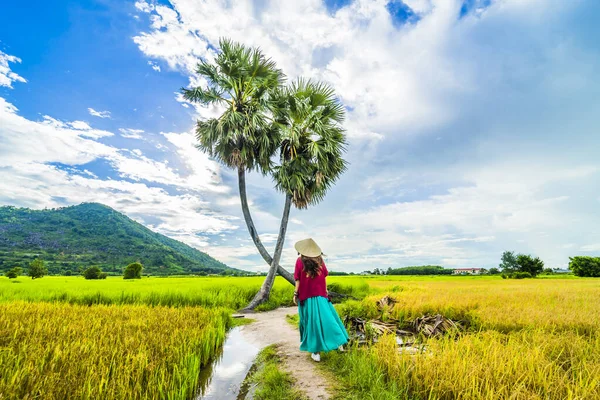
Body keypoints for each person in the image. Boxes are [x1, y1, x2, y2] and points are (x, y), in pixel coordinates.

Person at [293, 238, 349, 362]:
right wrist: (326, 291)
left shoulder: (299, 261)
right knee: (329, 319)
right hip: (321, 296)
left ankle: (316, 352)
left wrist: (295, 293)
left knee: (312, 323)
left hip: (307, 297)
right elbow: (323, 277)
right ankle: (338, 342)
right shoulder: (320, 261)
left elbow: (298, 280)